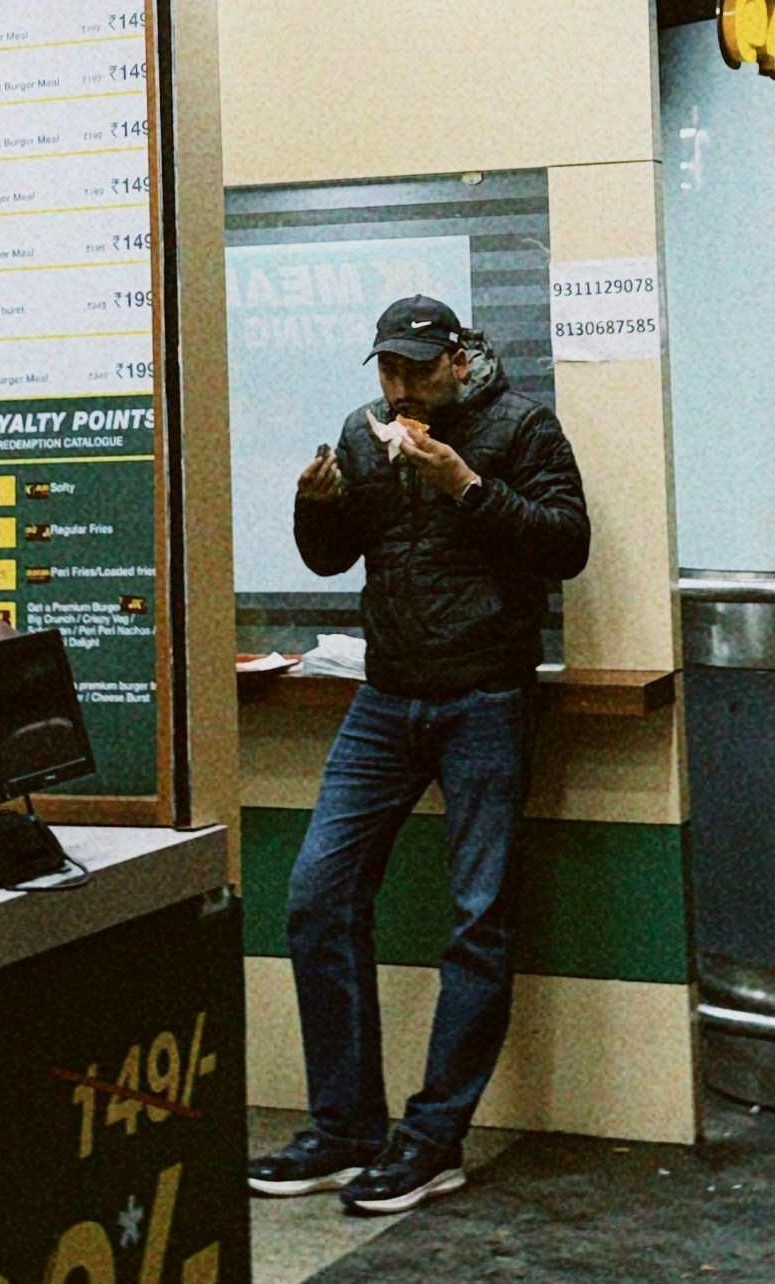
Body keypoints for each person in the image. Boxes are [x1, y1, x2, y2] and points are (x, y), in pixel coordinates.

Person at [248, 295, 589, 1217]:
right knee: (317, 895)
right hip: (386, 695)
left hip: (486, 695)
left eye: (413, 369)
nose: (399, 387)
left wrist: (465, 487)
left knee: (477, 918)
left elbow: (568, 544)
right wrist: (313, 509)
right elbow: (332, 559)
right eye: (386, 370)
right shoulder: (364, 437)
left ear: (455, 361)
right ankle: (345, 1127)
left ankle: (433, 1139)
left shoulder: (520, 427)